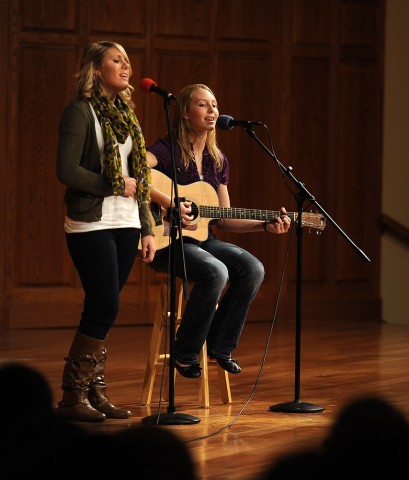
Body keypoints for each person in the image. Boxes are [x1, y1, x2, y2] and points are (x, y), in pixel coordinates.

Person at [146, 83, 291, 379]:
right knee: (216, 271)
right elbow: (136, 172)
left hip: (202, 240)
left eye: (214, 105)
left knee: (253, 268)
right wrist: (168, 201)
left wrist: (265, 224)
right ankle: (184, 352)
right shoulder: (166, 149)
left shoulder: (217, 160)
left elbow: (224, 218)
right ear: (185, 113)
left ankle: (219, 345)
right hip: (166, 243)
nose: (212, 111)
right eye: (203, 105)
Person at [56, 41, 156, 422]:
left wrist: (148, 227)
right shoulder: (79, 112)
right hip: (90, 222)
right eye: (117, 60)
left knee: (103, 310)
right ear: (97, 69)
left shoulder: (127, 116)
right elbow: (67, 171)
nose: (126, 67)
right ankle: (72, 394)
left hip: (127, 222)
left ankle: (95, 392)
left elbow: (140, 180)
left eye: (128, 61)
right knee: (106, 305)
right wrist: (113, 185)